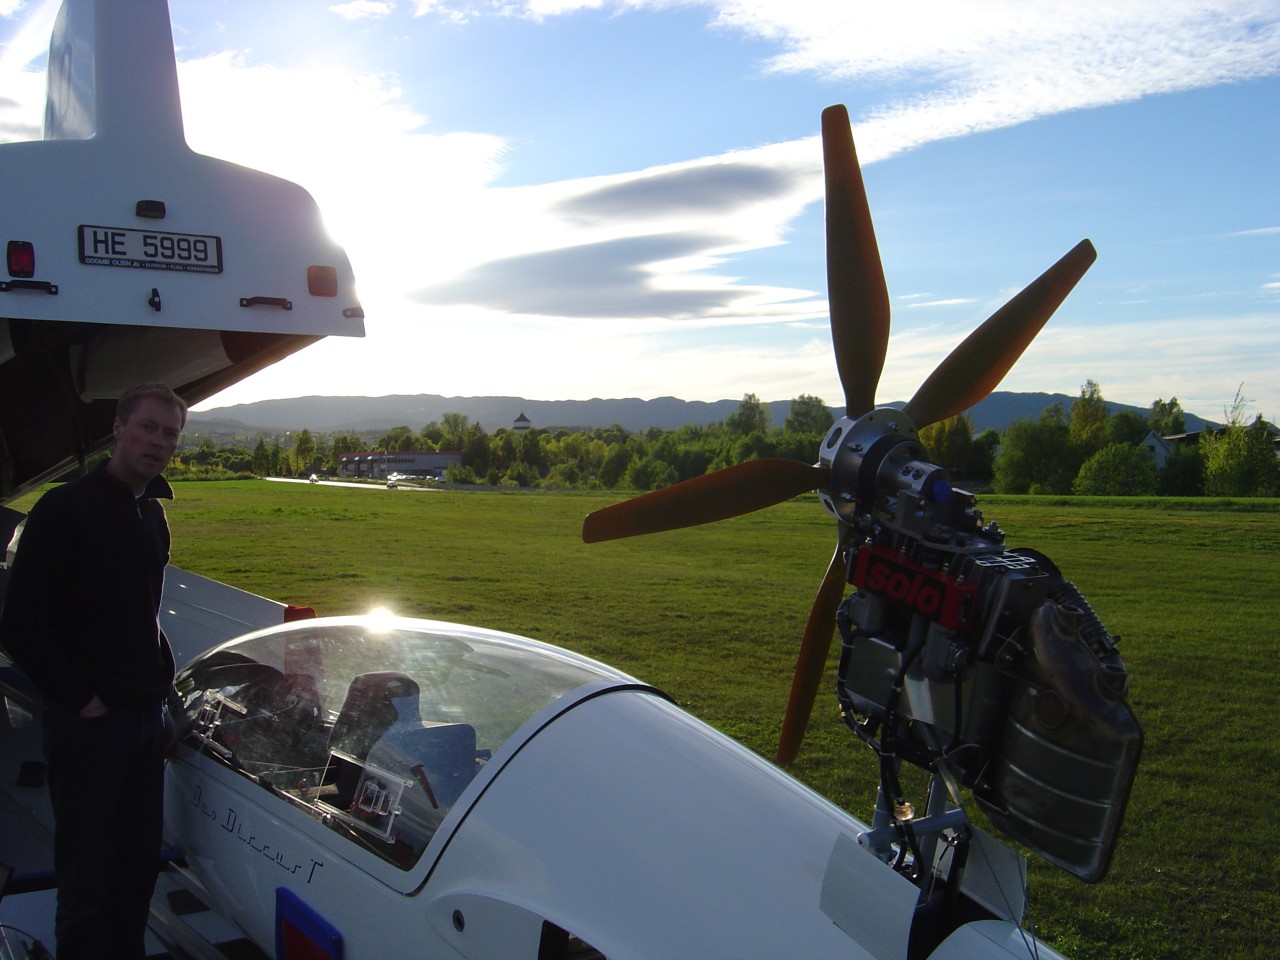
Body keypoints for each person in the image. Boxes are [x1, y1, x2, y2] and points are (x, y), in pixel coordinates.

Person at [0, 383, 187, 959]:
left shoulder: (152, 515)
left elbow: (144, 617)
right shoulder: (64, 509)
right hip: (88, 729)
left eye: (170, 434)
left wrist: (165, 700)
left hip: (144, 725)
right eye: (148, 428)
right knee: (87, 883)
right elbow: (21, 624)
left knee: (136, 874)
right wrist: (83, 701)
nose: (158, 442)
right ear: (119, 428)